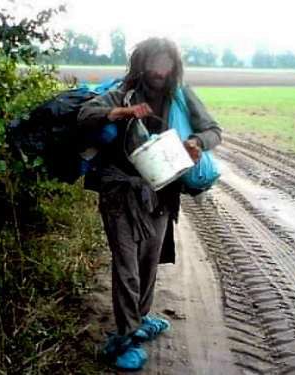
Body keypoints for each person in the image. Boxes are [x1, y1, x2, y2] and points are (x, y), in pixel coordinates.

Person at [77, 37, 222, 371]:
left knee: (148, 262)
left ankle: (140, 318)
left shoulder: (181, 97)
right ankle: (124, 337)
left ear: (174, 66)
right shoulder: (123, 93)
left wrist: (198, 142)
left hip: (161, 192)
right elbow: (86, 115)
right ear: (141, 64)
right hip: (120, 193)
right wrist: (121, 113)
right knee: (127, 266)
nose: (159, 70)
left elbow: (214, 130)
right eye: (153, 63)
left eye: (165, 63)